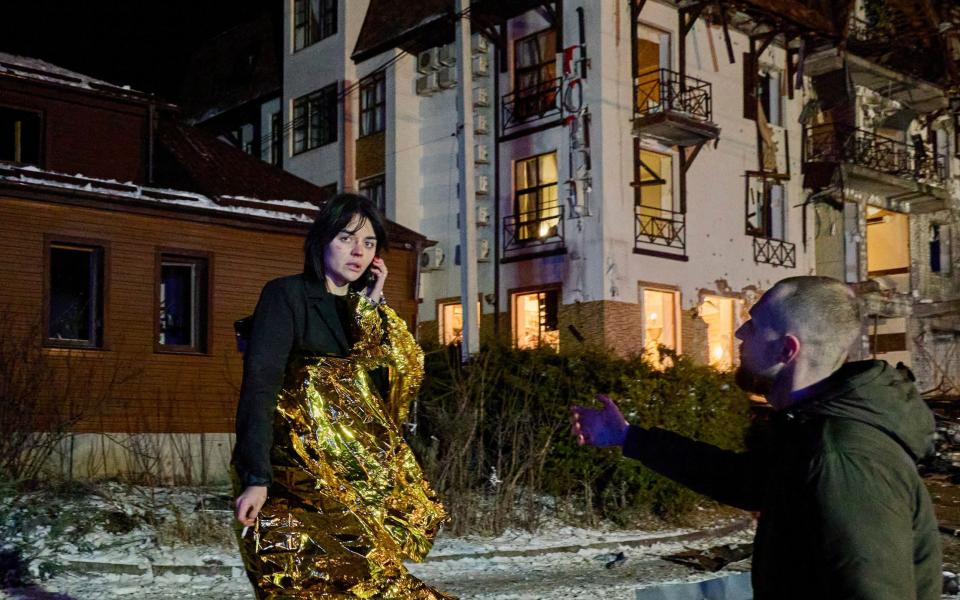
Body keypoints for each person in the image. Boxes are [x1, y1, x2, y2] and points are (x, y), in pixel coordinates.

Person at [570, 276, 941, 600]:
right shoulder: (811, 431)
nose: (738, 334)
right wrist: (629, 437)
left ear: (786, 350)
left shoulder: (840, 456)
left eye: (753, 324)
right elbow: (742, 479)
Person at [232, 193, 452, 599]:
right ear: (321, 241)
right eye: (346, 238)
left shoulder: (364, 310)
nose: (359, 251)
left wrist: (371, 307)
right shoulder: (286, 295)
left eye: (369, 243)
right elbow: (260, 386)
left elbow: (380, 402)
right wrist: (256, 478)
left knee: (373, 585)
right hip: (293, 478)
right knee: (296, 583)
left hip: (355, 482)